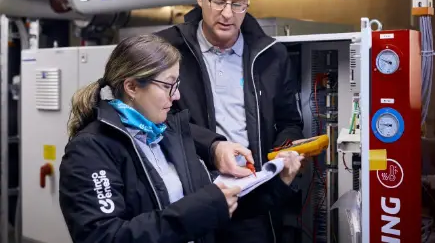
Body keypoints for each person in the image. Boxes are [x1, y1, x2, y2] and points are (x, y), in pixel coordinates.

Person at [58, 34, 304, 243]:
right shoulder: (91, 149)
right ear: (132, 87)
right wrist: (198, 210)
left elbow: (216, 204)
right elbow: (103, 236)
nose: (176, 97)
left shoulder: (168, 134)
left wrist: (277, 184)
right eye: (168, 86)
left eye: (177, 85)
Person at [155, 0, 307, 242]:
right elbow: (155, 121)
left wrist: (285, 150)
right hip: (188, 199)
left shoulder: (272, 56)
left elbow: (289, 121)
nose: (227, 14)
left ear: (248, 1)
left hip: (253, 201)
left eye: (238, 4)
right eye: (219, 1)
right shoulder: (165, 49)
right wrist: (213, 147)